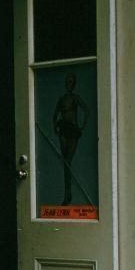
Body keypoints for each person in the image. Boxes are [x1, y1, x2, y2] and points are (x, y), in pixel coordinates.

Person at [52, 72, 89, 205]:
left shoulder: (76, 98)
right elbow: (54, 116)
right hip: (63, 129)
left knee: (68, 162)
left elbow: (86, 109)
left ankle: (68, 194)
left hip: (73, 130)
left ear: (74, 84)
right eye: (68, 81)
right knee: (65, 164)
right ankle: (67, 194)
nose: (70, 84)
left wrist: (82, 127)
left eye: (72, 82)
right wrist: (55, 127)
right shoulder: (61, 99)